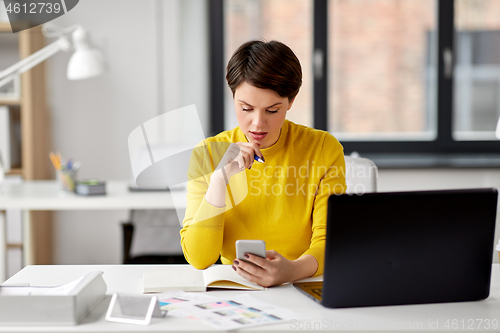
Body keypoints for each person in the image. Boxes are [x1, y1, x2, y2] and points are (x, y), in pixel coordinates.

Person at [180, 40, 346, 287]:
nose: (257, 124)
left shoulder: (323, 148)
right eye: (246, 108)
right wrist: (219, 181)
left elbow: (330, 240)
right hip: (235, 288)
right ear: (233, 97)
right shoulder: (208, 153)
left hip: (302, 282)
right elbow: (199, 258)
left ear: (291, 101)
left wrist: (291, 272)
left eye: (272, 110)